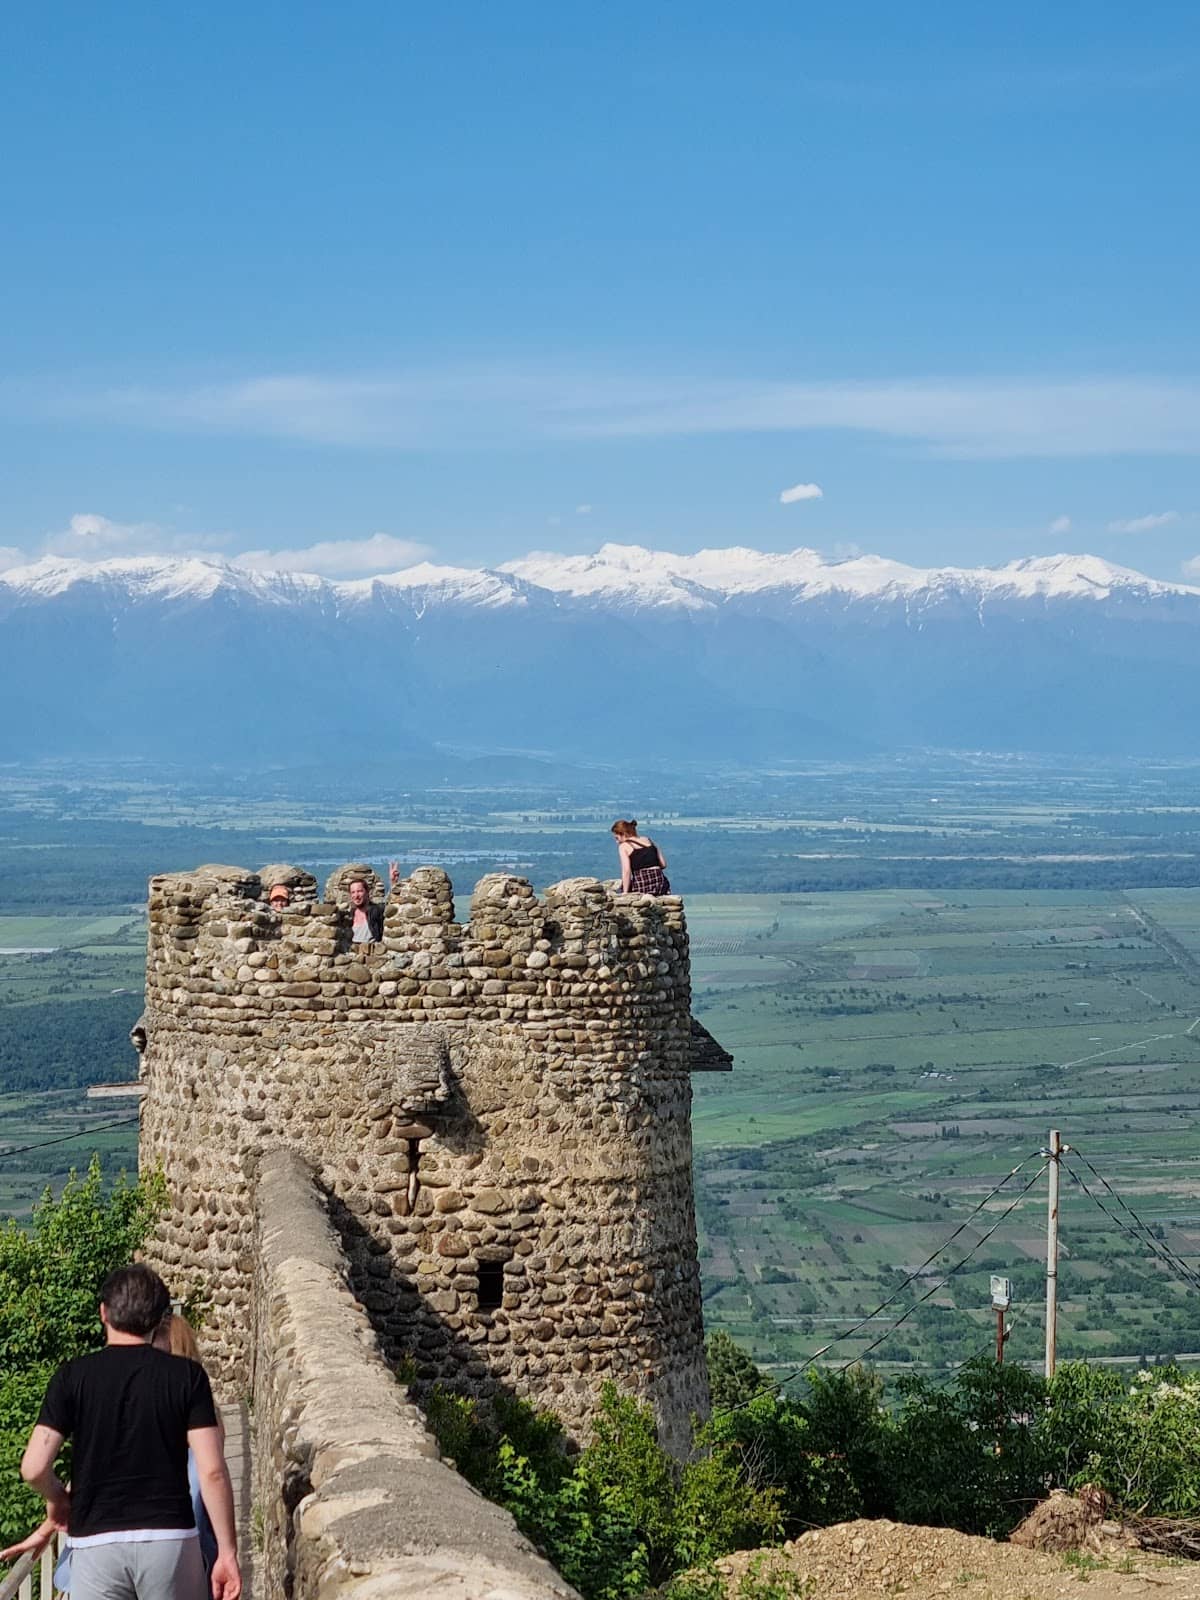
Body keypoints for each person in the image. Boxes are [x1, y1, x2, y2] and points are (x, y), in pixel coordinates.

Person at [17, 1264, 241, 1600]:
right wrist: (227, 1552)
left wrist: (58, 1499)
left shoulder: (72, 1377)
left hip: (94, 1541)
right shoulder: (187, 1377)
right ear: (156, 1319)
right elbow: (212, 1471)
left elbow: (33, 1467)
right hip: (171, 1538)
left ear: (103, 1313)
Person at [611, 820, 671, 895]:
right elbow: (663, 864)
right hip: (660, 883)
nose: (617, 842)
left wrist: (625, 892)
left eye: (617, 838)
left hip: (642, 882)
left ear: (623, 834)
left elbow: (626, 871)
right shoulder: (647, 840)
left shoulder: (624, 846)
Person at [348, 877, 384, 943]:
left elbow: (392, 909)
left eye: (359, 891)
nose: (356, 896)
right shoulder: (349, 915)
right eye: (353, 892)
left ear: (367, 892)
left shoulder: (377, 911)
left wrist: (394, 883)